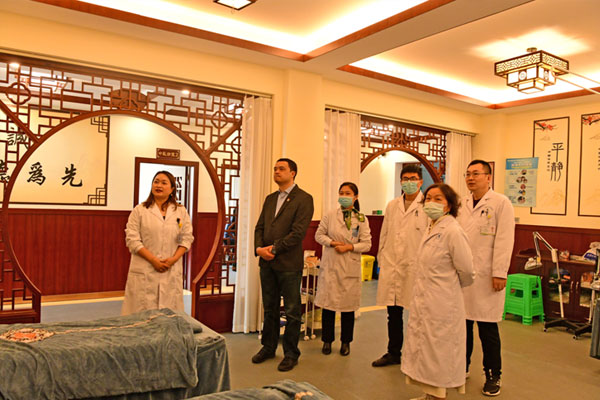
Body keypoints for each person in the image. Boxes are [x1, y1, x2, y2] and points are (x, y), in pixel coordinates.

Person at [402, 183, 475, 400]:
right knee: (425, 348)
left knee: (438, 350)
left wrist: (447, 289)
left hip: (443, 302)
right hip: (425, 299)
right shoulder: (431, 227)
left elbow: (467, 270)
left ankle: (438, 396)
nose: (431, 203)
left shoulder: (453, 231)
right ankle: (429, 394)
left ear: (449, 205)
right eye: (428, 199)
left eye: (438, 199)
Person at [457, 159, 515, 397]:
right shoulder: (461, 203)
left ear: (488, 177)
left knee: (487, 328)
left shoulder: (501, 203)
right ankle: (461, 367)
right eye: (468, 174)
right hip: (463, 275)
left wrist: (499, 272)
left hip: (488, 276)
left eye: (476, 174)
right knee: (462, 326)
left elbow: (505, 240)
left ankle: (493, 375)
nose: (470, 178)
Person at [252, 158, 314, 372]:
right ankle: (268, 347)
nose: (276, 172)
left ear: (293, 173)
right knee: (269, 308)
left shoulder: (304, 198)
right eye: (275, 169)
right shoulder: (270, 199)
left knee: (292, 310)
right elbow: (259, 227)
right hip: (266, 263)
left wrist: (274, 249)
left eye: (281, 169)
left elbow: (298, 233)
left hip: (288, 263)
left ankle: (291, 353)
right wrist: (259, 249)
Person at [372, 164, 428, 367]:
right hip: (393, 264)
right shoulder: (392, 205)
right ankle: (394, 352)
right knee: (393, 313)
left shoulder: (427, 205)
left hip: (417, 267)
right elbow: (385, 233)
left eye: (413, 178)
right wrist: (382, 259)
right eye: (405, 179)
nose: (408, 182)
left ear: (420, 181)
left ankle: (417, 355)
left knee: (419, 313)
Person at [122, 170, 194, 315]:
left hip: (170, 267)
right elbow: (132, 239)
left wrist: (173, 259)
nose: (159, 185)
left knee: (169, 314)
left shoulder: (180, 211)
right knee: (141, 314)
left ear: (172, 189)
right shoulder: (140, 210)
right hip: (145, 267)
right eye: (156, 182)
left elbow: (187, 238)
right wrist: (153, 260)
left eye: (164, 183)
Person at [314, 182, 372, 356]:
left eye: (348, 193)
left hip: (349, 266)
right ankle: (327, 341)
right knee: (328, 306)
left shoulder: (361, 219)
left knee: (348, 308)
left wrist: (349, 247)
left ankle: (346, 342)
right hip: (331, 264)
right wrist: (332, 242)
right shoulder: (330, 215)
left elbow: (367, 244)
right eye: (341, 193)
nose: (344, 196)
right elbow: (319, 235)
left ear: (355, 197)